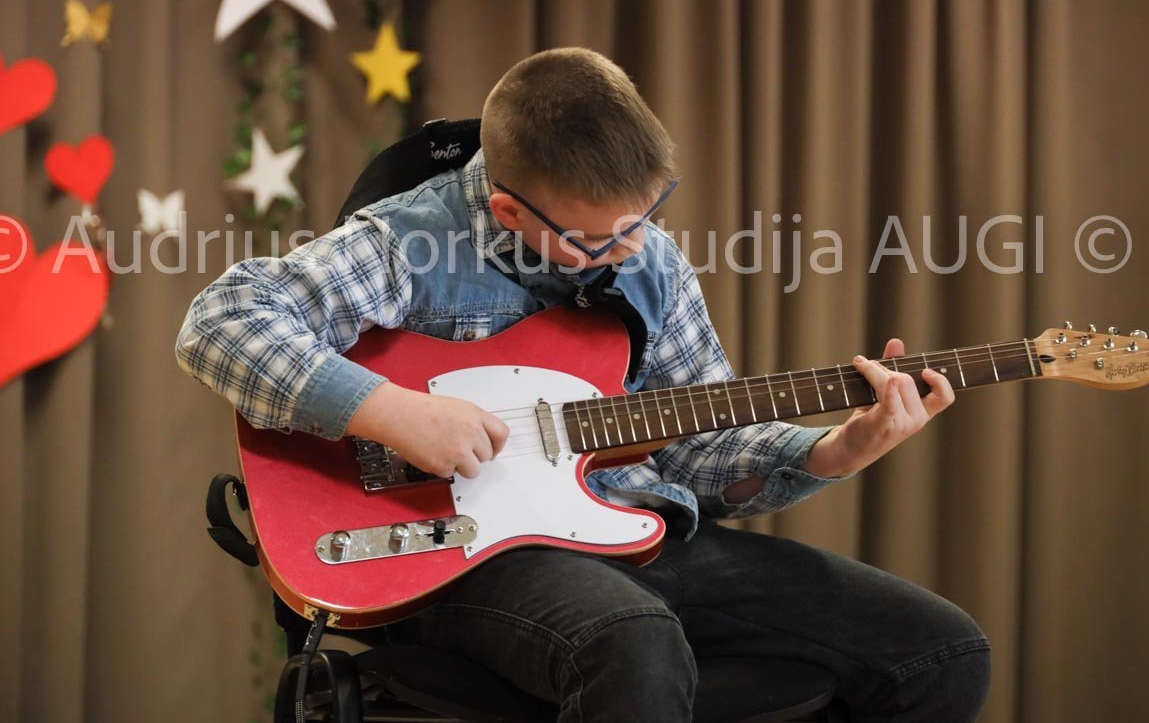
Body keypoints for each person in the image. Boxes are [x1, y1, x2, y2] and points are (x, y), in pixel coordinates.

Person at [177, 47, 990, 721]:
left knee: (939, 650)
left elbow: (698, 449)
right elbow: (221, 323)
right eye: (596, 242)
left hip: (625, 528)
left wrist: (834, 451)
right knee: (632, 640)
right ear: (509, 211)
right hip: (459, 554)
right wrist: (389, 411)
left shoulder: (649, 259)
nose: (633, 249)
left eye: (645, 219)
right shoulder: (408, 243)